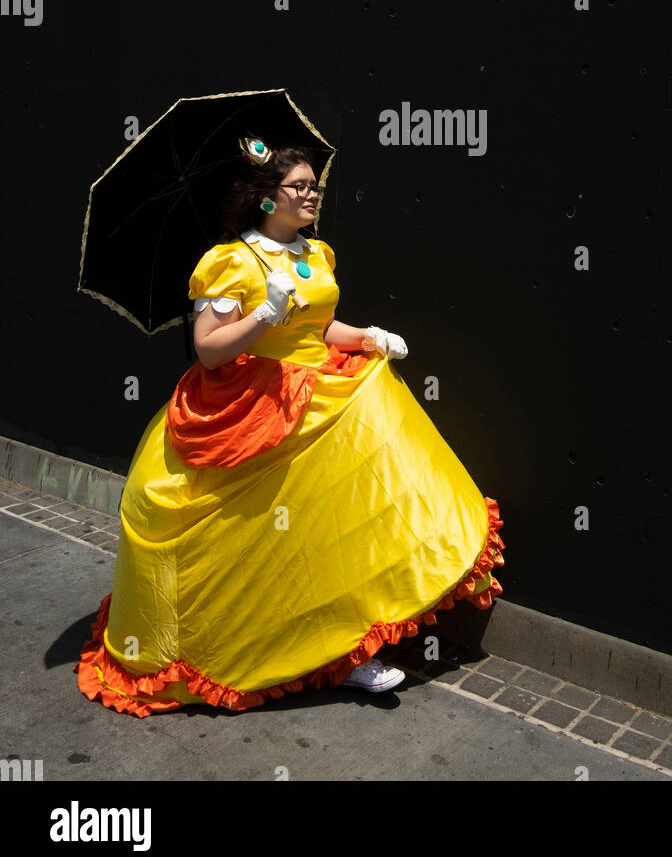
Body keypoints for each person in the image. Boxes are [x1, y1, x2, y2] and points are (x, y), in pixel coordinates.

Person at [75, 136, 504, 715]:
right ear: (265, 198)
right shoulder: (230, 262)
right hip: (254, 411)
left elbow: (321, 329)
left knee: (329, 536)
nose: (312, 196)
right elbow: (208, 351)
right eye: (299, 187)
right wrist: (262, 313)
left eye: (314, 186)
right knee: (263, 550)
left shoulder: (315, 254)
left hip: (320, 401)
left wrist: (367, 337)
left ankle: (347, 654)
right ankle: (246, 649)